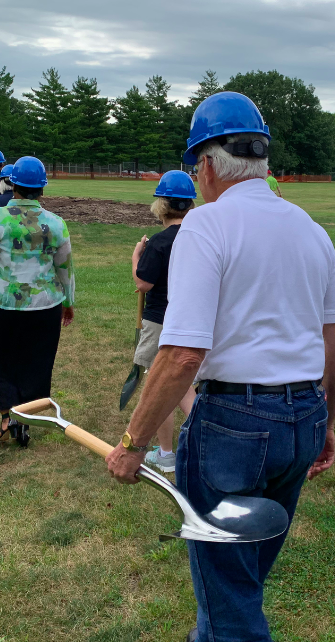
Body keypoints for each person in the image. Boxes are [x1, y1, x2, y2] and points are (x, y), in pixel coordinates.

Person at [105, 91, 335, 642]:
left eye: (195, 168)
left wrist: (132, 442)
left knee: (229, 595)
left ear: (209, 165)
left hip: (231, 427)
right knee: (241, 576)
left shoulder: (207, 226)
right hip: (302, 419)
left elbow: (181, 354)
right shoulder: (311, 230)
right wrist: (328, 423)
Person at [0, 156, 75, 447]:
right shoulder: (57, 224)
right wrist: (69, 300)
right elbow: (65, 268)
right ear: (42, 190)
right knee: (35, 363)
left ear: (13, 187)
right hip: (44, 309)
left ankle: (7, 414)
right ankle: (25, 417)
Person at [130, 170, 198, 473]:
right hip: (192, 318)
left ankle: (167, 453)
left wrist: (136, 257)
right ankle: (202, 440)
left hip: (160, 320)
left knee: (161, 386)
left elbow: (143, 284)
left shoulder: (158, 242)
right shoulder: (199, 237)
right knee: (183, 384)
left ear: (162, 205)